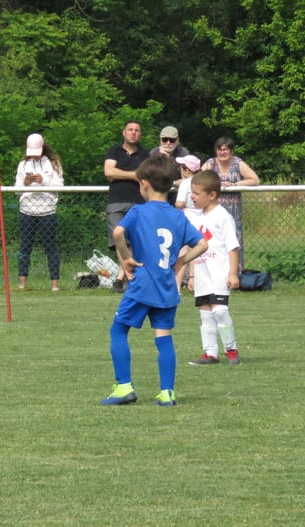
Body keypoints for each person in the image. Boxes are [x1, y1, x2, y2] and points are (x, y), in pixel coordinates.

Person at [100, 155, 207, 407]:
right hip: (167, 287)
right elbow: (201, 244)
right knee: (164, 337)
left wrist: (125, 259)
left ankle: (124, 386)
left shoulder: (138, 211)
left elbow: (118, 232)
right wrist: (181, 262)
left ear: (144, 184)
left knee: (118, 330)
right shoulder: (178, 216)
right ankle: (167, 392)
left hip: (142, 285)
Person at [186, 170, 242, 366]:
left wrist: (233, 273)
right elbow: (195, 248)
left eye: (196, 193)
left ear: (212, 195)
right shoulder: (195, 218)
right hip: (202, 273)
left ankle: (231, 349)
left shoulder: (222, 216)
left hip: (219, 272)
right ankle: (210, 353)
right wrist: (191, 275)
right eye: (191, 192)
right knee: (205, 312)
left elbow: (232, 246)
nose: (192, 197)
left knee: (219, 310)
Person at [103, 120, 150, 291]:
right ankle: (128, 277)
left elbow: (145, 176)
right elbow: (109, 172)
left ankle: (122, 278)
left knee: (134, 242)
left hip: (138, 203)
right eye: (130, 129)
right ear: (124, 132)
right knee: (119, 240)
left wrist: (120, 174)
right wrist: (133, 175)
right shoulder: (113, 150)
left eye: (137, 130)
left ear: (140, 134)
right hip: (115, 202)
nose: (133, 133)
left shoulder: (145, 155)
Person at [202, 137, 259, 271]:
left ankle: (235, 272)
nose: (223, 152)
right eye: (220, 149)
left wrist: (235, 184)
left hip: (233, 210)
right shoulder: (211, 163)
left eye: (226, 149)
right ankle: (212, 268)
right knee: (212, 238)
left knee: (234, 239)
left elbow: (255, 179)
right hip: (212, 208)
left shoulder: (238, 163)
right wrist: (217, 185)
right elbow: (199, 179)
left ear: (231, 151)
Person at [14, 133, 63, 291]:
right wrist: (25, 183)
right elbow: (17, 191)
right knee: (25, 248)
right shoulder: (23, 165)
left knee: (51, 248)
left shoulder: (53, 164)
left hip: (48, 211)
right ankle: (22, 284)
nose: (34, 156)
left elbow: (59, 187)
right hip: (27, 210)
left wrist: (43, 180)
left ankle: (55, 284)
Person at [173, 154, 202, 289]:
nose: (180, 169)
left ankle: (177, 285)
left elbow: (180, 203)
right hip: (201, 217)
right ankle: (194, 280)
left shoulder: (186, 183)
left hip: (187, 219)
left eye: (182, 167)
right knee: (197, 250)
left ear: (187, 169)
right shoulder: (202, 182)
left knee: (184, 251)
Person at [149, 125, 190, 196]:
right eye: (165, 139)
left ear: (177, 140)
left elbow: (188, 177)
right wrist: (163, 158)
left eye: (172, 140)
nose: (168, 143)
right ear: (160, 140)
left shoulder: (183, 153)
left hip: (179, 193)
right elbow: (152, 177)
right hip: (158, 192)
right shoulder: (153, 153)